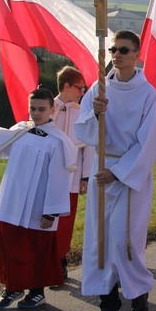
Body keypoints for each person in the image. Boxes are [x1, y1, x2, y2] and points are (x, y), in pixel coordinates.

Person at [74, 30, 156, 311]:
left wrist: (119, 171)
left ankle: (138, 295)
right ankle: (108, 308)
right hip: (103, 167)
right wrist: (96, 115)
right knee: (99, 242)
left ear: (137, 55)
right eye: (113, 49)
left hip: (128, 173)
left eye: (124, 50)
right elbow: (82, 128)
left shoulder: (148, 93)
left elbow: (149, 141)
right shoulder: (99, 88)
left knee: (123, 241)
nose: (117, 54)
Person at [0, 89, 77, 310]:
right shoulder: (20, 130)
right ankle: (13, 287)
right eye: (33, 108)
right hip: (13, 198)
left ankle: (36, 292)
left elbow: (58, 179)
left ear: (52, 109)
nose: (36, 114)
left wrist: (51, 212)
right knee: (5, 240)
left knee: (34, 247)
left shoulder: (57, 141)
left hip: (38, 205)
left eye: (41, 109)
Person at [52, 66, 95, 281]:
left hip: (71, 177)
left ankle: (60, 260)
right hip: (47, 176)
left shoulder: (82, 111)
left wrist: (85, 177)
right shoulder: (46, 107)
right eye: (80, 87)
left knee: (66, 221)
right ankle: (45, 262)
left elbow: (88, 146)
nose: (82, 92)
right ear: (67, 86)